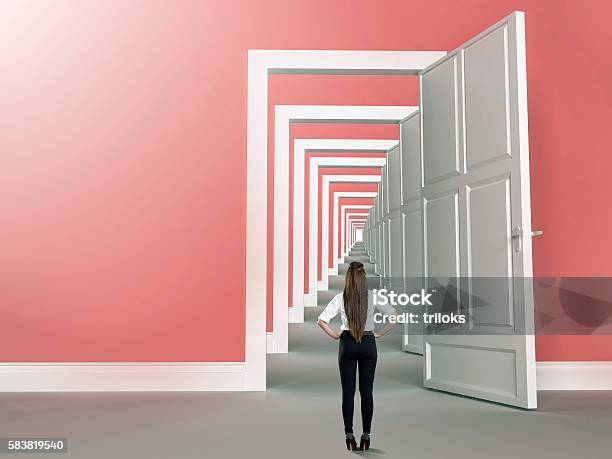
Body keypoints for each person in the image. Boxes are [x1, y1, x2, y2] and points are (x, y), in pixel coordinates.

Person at [317, 261, 396, 451]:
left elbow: (321, 321)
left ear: (348, 279)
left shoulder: (340, 298)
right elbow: (394, 318)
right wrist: (380, 334)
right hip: (369, 344)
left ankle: (349, 435)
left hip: (347, 344)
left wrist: (336, 335)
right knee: (367, 392)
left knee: (348, 393)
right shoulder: (374, 297)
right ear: (363, 279)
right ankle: (366, 435)